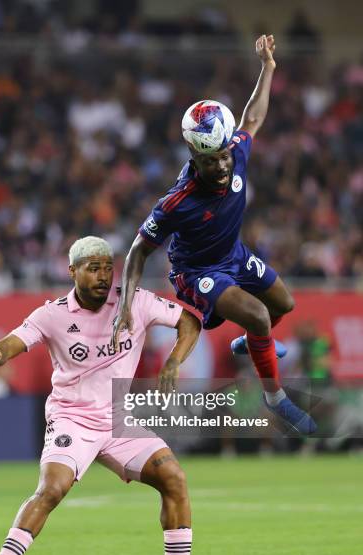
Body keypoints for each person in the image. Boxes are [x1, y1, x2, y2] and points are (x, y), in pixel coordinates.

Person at [0, 236, 219, 555]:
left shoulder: (134, 301)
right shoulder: (52, 314)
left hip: (117, 420)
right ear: (73, 272)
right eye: (93, 268)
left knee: (174, 478)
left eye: (108, 267)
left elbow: (190, 322)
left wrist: (173, 361)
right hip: (72, 418)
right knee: (51, 490)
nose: (104, 276)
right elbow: (15, 341)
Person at [113, 35, 317, 436]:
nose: (223, 166)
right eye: (212, 161)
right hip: (196, 271)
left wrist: (268, 67)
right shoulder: (177, 201)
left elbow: (252, 118)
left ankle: (250, 342)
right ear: (194, 158)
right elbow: (138, 251)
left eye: (225, 156)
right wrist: (125, 304)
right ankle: (274, 397)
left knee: (283, 304)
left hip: (234, 256)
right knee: (259, 316)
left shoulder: (234, 150)